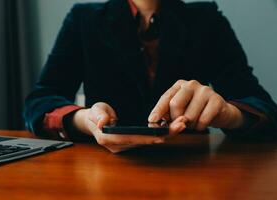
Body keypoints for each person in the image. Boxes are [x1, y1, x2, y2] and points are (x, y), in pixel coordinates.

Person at [24, 0, 277, 153]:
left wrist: (228, 114)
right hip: (103, 169)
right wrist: (84, 120)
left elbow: (264, 108)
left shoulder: (207, 19)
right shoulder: (83, 19)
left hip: (192, 171)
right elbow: (40, 102)